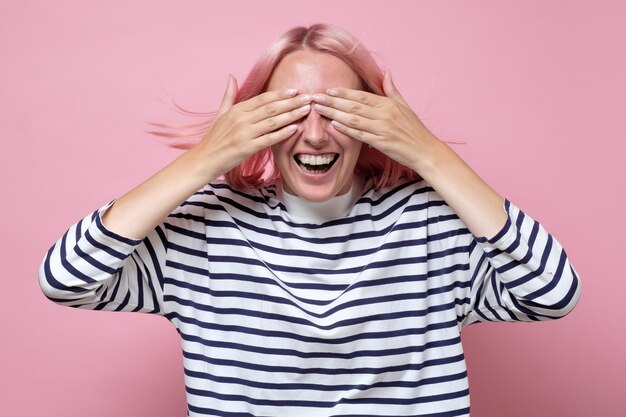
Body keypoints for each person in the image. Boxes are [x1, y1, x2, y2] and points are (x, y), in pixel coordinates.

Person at [39, 23, 581, 417]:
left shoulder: (430, 225)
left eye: (339, 110)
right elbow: (65, 280)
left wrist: (429, 154)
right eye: (290, 112)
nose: (316, 135)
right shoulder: (205, 233)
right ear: (255, 122)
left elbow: (554, 293)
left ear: (375, 122)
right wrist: (204, 160)